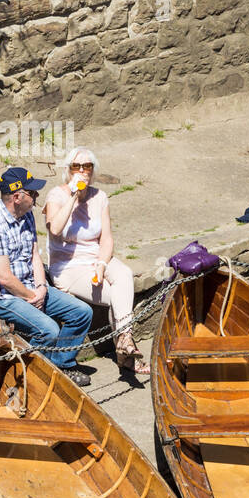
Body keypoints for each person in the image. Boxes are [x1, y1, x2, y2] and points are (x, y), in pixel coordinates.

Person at [0, 167, 93, 387]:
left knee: (82, 312)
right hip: (1, 296)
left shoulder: (26, 215)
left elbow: (35, 255)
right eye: (33, 193)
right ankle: (30, 379)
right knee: (48, 330)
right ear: (17, 197)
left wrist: (41, 287)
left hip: (30, 287)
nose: (37, 197)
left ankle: (61, 366)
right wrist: (33, 296)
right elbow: (5, 279)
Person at [43, 147, 148, 375]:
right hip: (68, 266)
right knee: (117, 297)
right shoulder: (56, 195)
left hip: (95, 257)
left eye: (87, 166)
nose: (82, 171)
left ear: (93, 170)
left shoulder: (99, 197)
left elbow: (107, 237)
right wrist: (73, 196)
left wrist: (102, 264)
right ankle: (126, 352)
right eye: (76, 166)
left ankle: (125, 342)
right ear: (68, 170)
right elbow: (55, 229)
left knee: (124, 274)